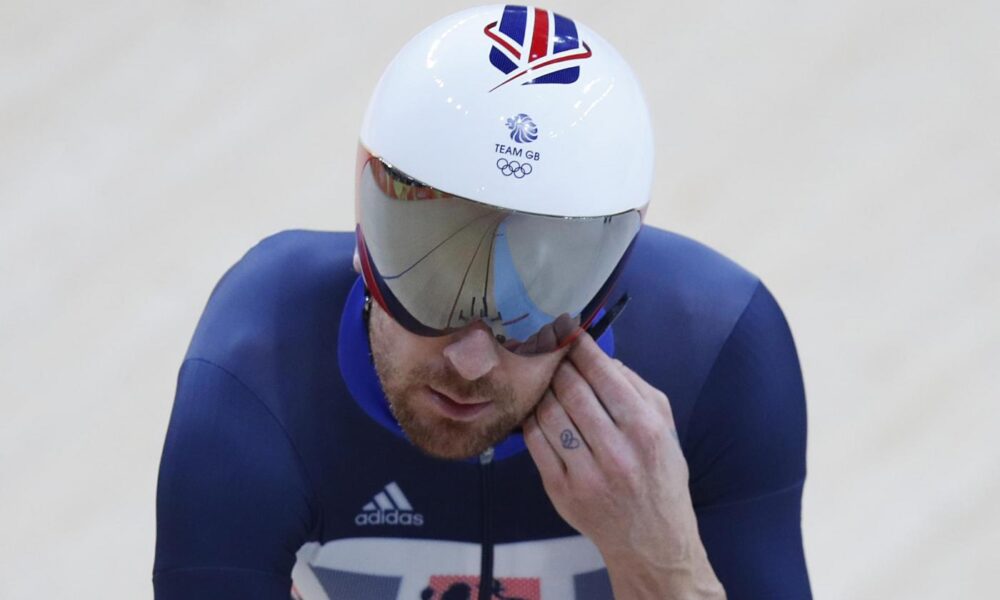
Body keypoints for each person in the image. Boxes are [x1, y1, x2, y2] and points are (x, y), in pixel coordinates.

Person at [154, 5, 811, 600]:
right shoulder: (256, 377)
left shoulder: (719, 351)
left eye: (536, 302)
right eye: (433, 285)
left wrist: (663, 568)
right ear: (366, 237)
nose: (471, 361)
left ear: (610, 277)